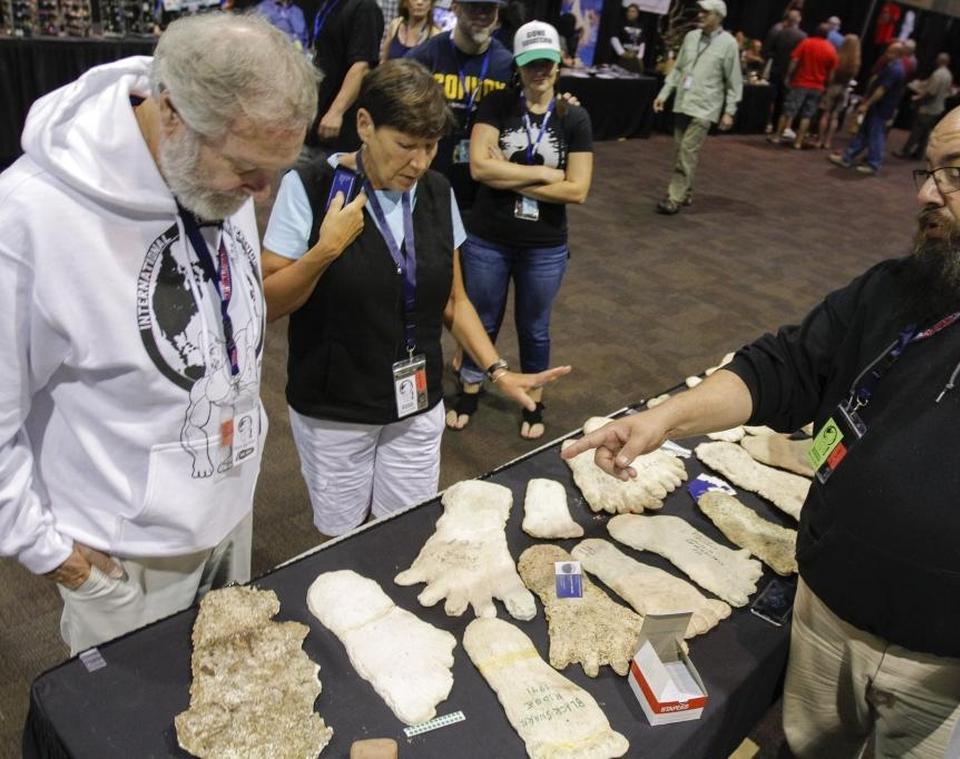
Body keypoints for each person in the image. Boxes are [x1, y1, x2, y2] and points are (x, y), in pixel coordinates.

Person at [565, 91, 960, 759]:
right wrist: (664, 418)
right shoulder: (904, 282)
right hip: (826, 617)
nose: (928, 192)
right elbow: (785, 365)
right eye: (926, 171)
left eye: (957, 172)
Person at [0, 12, 318, 655]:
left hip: (231, 510)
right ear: (171, 112)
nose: (264, 195)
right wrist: (55, 556)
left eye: (278, 169)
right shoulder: (28, 219)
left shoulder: (212, 177)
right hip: (126, 558)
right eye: (250, 169)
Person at [261, 58, 569, 537]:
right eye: (406, 146)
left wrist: (498, 370)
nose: (419, 162)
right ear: (364, 125)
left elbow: (454, 302)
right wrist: (325, 250)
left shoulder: (437, 191)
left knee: (406, 531)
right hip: (336, 409)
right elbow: (269, 303)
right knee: (341, 539)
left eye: (430, 147)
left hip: (416, 402)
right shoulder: (310, 188)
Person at [450, 21, 594, 438]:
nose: (540, 72)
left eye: (547, 63)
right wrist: (549, 176)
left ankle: (535, 399)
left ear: (558, 64)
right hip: (488, 237)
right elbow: (479, 167)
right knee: (484, 317)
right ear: (518, 65)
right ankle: (470, 388)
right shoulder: (497, 105)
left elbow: (579, 190)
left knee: (534, 327)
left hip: (544, 245)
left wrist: (505, 172)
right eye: (531, 64)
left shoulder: (574, 117)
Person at [410, 0, 514, 220]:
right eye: (474, 6)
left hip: (483, 195)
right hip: (429, 187)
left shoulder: (508, 66)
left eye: (489, 8)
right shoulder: (423, 58)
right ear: (455, 7)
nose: (482, 14)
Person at [653, 0, 741, 215]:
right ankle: (686, 192)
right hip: (683, 102)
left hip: (705, 107)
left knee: (687, 150)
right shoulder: (691, 37)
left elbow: (734, 80)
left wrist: (730, 111)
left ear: (718, 16)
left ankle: (673, 198)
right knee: (681, 151)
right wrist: (663, 94)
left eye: (706, 12)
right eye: (701, 11)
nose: (700, 15)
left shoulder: (728, 44)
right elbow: (678, 69)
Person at [308, 0, 383, 153]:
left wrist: (336, 112)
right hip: (319, 113)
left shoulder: (365, 7)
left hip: (341, 124)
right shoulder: (329, 5)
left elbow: (362, 65)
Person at [829, 42, 906, 175]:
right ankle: (847, 157)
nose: (886, 54)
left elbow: (882, 89)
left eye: (890, 52)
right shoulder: (894, 67)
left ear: (898, 54)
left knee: (875, 136)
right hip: (879, 107)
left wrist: (866, 104)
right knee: (864, 133)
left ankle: (873, 164)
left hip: (881, 108)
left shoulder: (894, 70)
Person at [770, 23, 837, 150]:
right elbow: (831, 73)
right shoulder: (831, 49)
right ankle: (798, 142)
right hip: (817, 86)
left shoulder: (806, 43)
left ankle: (777, 136)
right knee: (807, 115)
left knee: (788, 110)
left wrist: (788, 76)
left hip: (800, 83)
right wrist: (827, 86)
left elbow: (794, 60)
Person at [894, 52, 952, 160]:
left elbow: (931, 92)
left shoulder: (938, 74)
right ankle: (919, 154)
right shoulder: (948, 74)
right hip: (938, 108)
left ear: (939, 60)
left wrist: (918, 97)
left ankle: (905, 152)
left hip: (928, 108)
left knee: (916, 131)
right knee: (926, 133)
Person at [763, 9, 806, 135]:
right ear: (798, 19)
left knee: (772, 98)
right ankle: (779, 127)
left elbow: (768, 50)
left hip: (776, 69)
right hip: (790, 73)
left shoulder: (779, 32)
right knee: (785, 101)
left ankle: (767, 123)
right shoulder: (802, 36)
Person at [815, 34, 860, 151]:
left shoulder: (837, 56)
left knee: (825, 114)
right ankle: (828, 141)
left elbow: (831, 75)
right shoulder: (856, 62)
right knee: (835, 117)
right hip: (844, 89)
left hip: (833, 86)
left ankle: (819, 140)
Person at [610, 3, 646, 75]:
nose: (630, 13)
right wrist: (622, 53)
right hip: (622, 59)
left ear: (637, 14)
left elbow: (643, 42)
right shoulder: (621, 24)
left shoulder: (641, 27)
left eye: (633, 11)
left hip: (635, 60)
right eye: (629, 11)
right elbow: (614, 38)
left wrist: (639, 57)